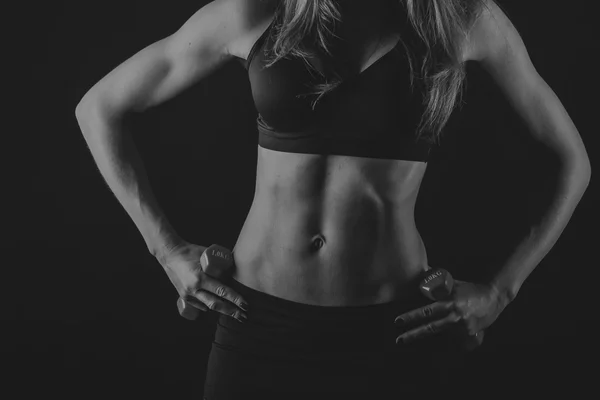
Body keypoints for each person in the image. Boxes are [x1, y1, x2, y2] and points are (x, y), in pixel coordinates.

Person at [75, 0, 591, 398]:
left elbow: (573, 161)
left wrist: (500, 292)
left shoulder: (461, 20)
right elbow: (98, 108)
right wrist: (167, 251)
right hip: (256, 329)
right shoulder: (259, 11)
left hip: (391, 336)